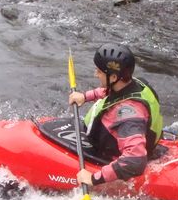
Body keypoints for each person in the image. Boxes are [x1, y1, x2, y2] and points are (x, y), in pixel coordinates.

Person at [68, 43, 163, 187]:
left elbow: (135, 161)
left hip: (115, 154)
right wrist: (85, 96)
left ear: (113, 77)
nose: (95, 74)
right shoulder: (132, 83)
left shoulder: (128, 116)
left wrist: (94, 179)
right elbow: (111, 93)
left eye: (99, 71)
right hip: (131, 136)